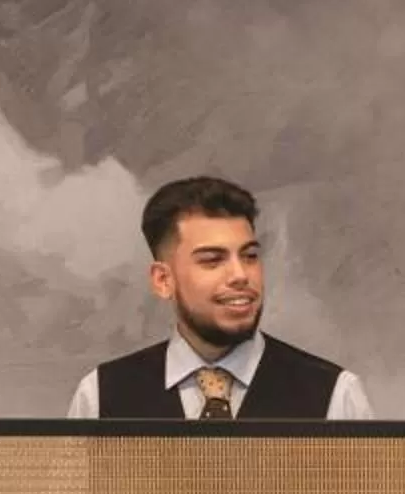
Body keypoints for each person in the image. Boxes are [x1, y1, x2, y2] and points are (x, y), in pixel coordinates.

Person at [67, 176, 373, 421]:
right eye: (213, 260)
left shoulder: (335, 397)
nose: (241, 275)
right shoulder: (100, 398)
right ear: (163, 280)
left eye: (250, 256)